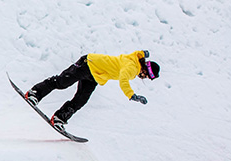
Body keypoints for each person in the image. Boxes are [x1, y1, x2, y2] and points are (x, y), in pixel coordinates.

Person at [25, 50, 160, 131]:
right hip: (88, 64)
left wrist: (144, 52)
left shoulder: (134, 58)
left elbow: (139, 53)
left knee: (81, 99)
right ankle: (34, 93)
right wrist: (132, 95)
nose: (145, 78)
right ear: (146, 70)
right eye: (149, 76)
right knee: (62, 82)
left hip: (95, 75)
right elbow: (123, 80)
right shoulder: (132, 67)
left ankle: (60, 118)